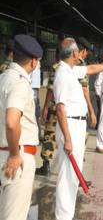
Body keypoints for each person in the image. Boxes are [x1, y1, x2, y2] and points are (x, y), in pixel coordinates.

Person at [54, 38, 103, 220]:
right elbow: (60, 109)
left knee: (73, 174)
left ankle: (66, 214)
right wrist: (68, 138)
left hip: (76, 125)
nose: (81, 54)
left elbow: (91, 69)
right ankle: (62, 216)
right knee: (67, 174)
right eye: (79, 51)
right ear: (74, 53)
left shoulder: (70, 70)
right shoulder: (62, 74)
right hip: (69, 126)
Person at [0, 34, 43, 220]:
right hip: (16, 157)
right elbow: (12, 121)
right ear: (33, 62)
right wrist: (15, 154)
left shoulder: (3, 77)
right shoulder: (20, 82)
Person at [35, 56, 60, 176]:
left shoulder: (56, 67)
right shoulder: (79, 67)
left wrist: (45, 107)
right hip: (70, 110)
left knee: (49, 135)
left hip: (55, 107)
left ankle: (46, 166)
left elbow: (50, 90)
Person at [76, 37, 97, 129]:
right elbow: (84, 90)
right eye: (87, 51)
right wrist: (91, 111)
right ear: (84, 50)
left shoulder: (69, 62)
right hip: (79, 105)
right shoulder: (81, 64)